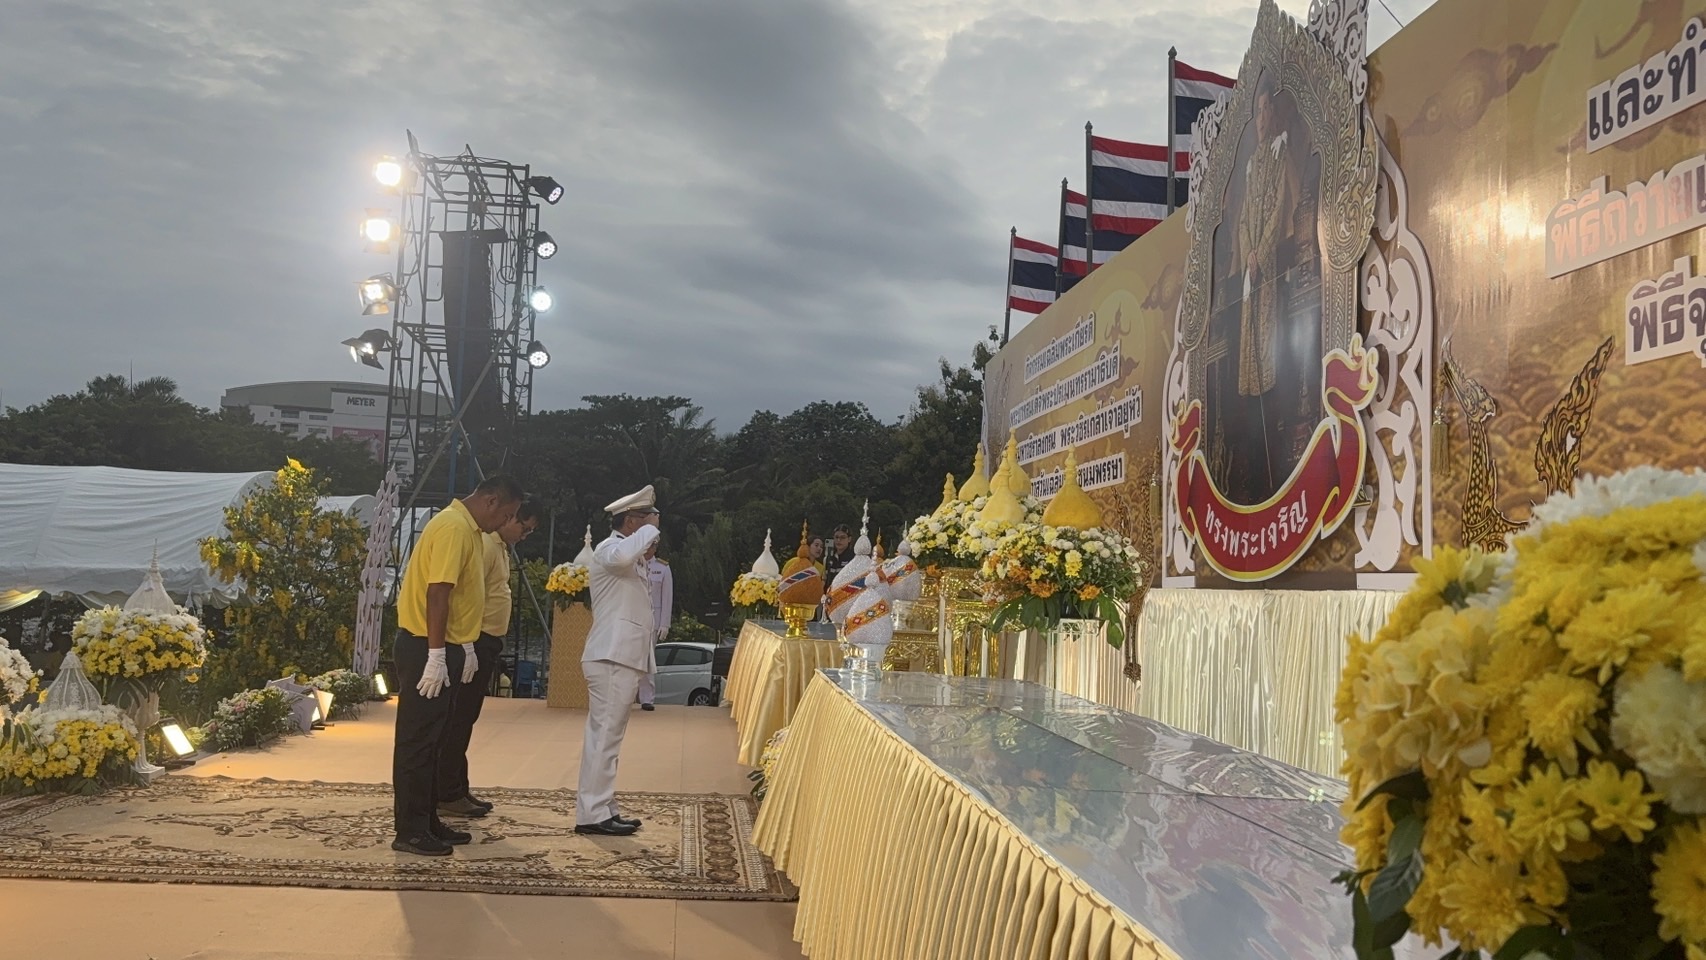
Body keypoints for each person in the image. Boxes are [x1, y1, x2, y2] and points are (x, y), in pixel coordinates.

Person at [391, 474, 524, 856]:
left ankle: (427, 819)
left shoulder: (470, 530)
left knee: (437, 739)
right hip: (426, 645)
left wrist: (464, 644)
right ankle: (410, 830)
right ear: (491, 500)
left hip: (446, 644)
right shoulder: (453, 527)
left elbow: (464, 596)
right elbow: (438, 593)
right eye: (507, 515)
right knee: (418, 742)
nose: (505, 523)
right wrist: (436, 655)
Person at [437, 499, 539, 819]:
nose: (524, 535)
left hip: (486, 641)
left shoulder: (500, 547)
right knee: (459, 718)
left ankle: (457, 786)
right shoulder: (487, 545)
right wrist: (467, 643)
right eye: (523, 527)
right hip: (475, 640)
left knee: (466, 718)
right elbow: (468, 595)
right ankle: (447, 792)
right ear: (509, 518)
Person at [575, 484, 661, 836]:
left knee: (609, 737)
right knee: (605, 737)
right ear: (631, 522)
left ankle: (603, 806)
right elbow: (623, 557)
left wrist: (647, 532)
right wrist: (650, 529)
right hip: (611, 656)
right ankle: (592, 813)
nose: (655, 535)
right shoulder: (609, 549)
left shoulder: (631, 557)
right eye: (647, 521)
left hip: (621, 657)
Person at [635, 541, 673, 711]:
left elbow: (667, 597)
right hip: (633, 618)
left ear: (656, 548)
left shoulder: (662, 568)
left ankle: (647, 698)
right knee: (629, 658)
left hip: (652, 621)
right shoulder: (633, 564)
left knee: (648, 659)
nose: (648, 550)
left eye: (651, 547)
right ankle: (628, 695)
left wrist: (665, 624)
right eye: (646, 546)